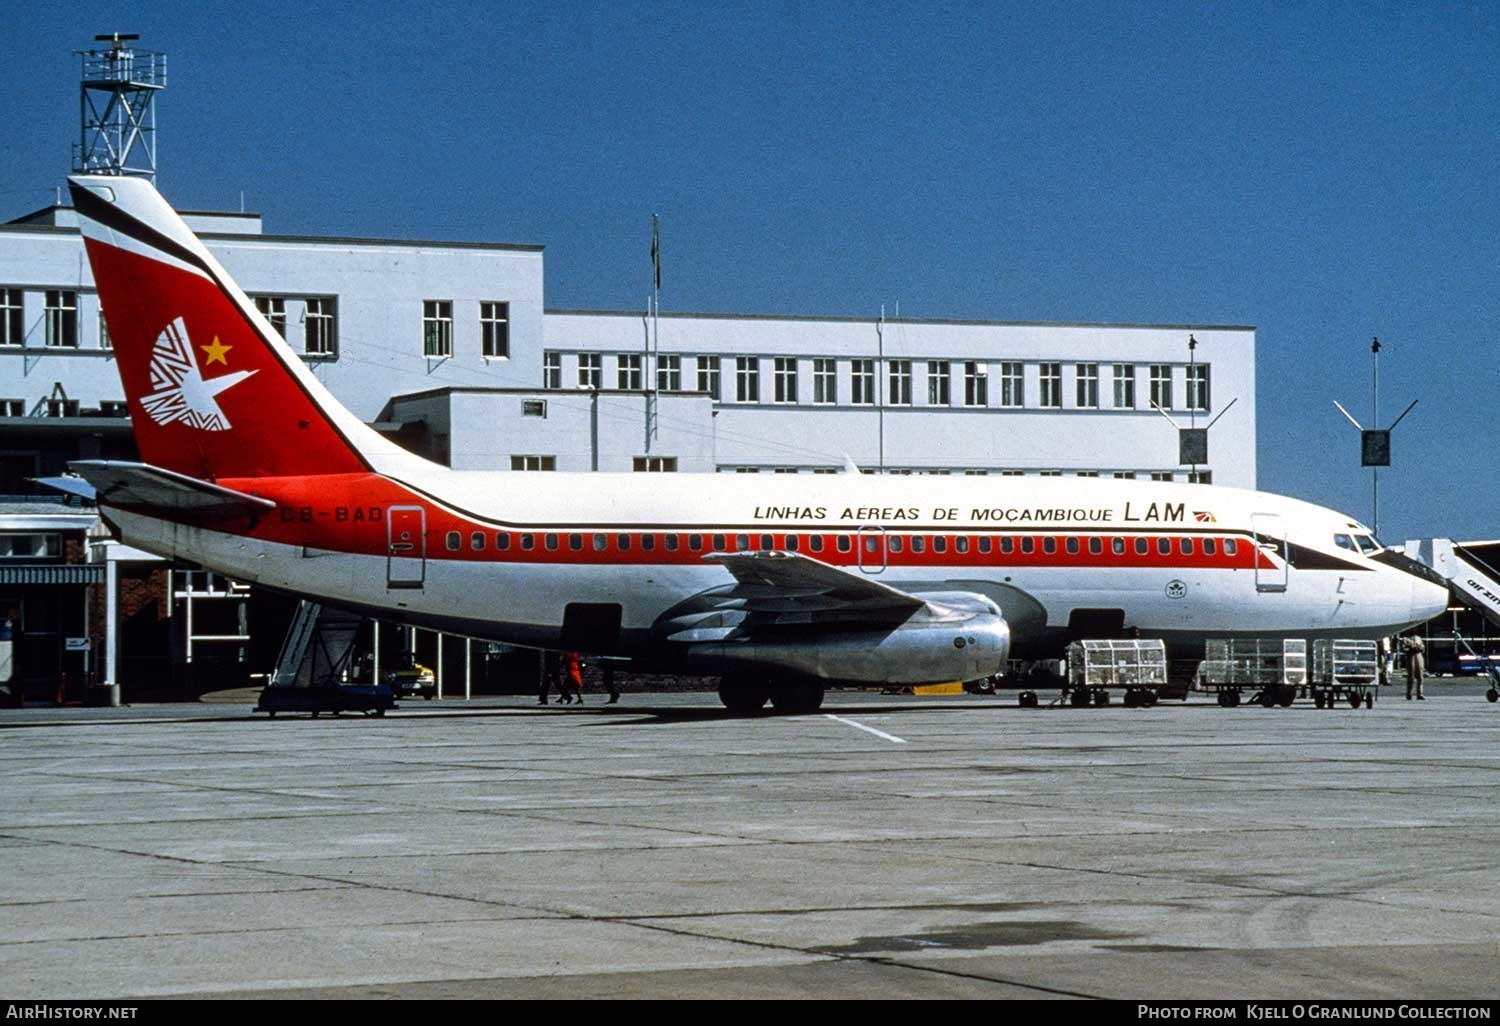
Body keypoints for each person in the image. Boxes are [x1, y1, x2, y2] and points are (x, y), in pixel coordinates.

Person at [1403, 633, 1426, 700]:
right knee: (1411, 676)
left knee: (1420, 676)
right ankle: (1409, 694)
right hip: (1411, 656)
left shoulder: (1419, 638)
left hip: (1418, 655)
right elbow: (1404, 648)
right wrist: (1410, 647)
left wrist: (1419, 647)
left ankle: (1420, 694)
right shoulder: (1406, 638)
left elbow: (1423, 648)